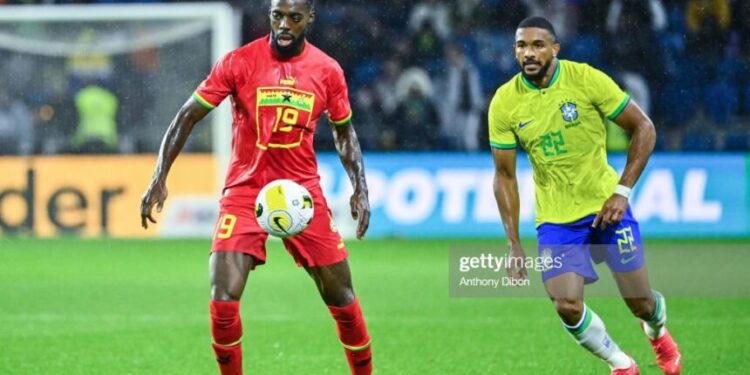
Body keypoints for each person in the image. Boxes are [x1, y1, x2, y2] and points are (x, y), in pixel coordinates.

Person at [139, 1, 373, 374]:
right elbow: (188, 115)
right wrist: (159, 176)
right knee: (223, 298)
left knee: (342, 298)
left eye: (293, 18)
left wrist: (359, 186)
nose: (283, 25)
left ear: (309, 19)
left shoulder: (328, 71)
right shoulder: (239, 62)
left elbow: (344, 133)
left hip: (302, 195)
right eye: (277, 16)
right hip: (246, 193)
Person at [488, 17, 681, 375]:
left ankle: (657, 332)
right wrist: (513, 242)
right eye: (521, 46)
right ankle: (621, 364)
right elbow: (504, 175)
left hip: (607, 208)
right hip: (556, 220)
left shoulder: (586, 79)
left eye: (537, 45)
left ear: (554, 49)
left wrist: (621, 193)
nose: (528, 53)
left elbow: (644, 128)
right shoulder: (504, 102)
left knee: (641, 304)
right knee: (566, 305)